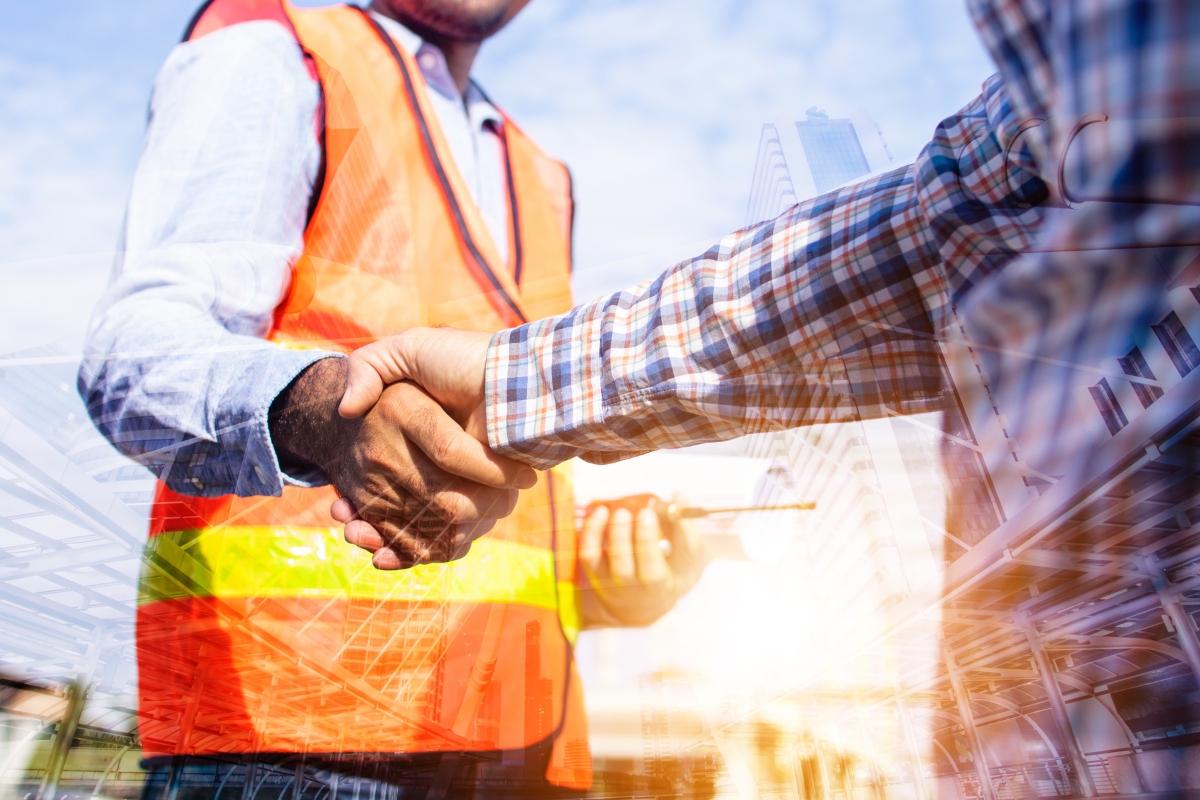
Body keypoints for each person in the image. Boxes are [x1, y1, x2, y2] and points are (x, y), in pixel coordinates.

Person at [78, 0, 704, 796]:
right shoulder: (281, 52)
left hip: (526, 744)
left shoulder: (543, 175)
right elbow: (128, 354)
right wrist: (323, 409)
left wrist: (608, 577)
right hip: (299, 740)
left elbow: (500, 494)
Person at [330, 0, 1200, 560]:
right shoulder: (288, 49)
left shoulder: (540, 175)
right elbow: (967, 221)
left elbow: (965, 225)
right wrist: (515, 390)